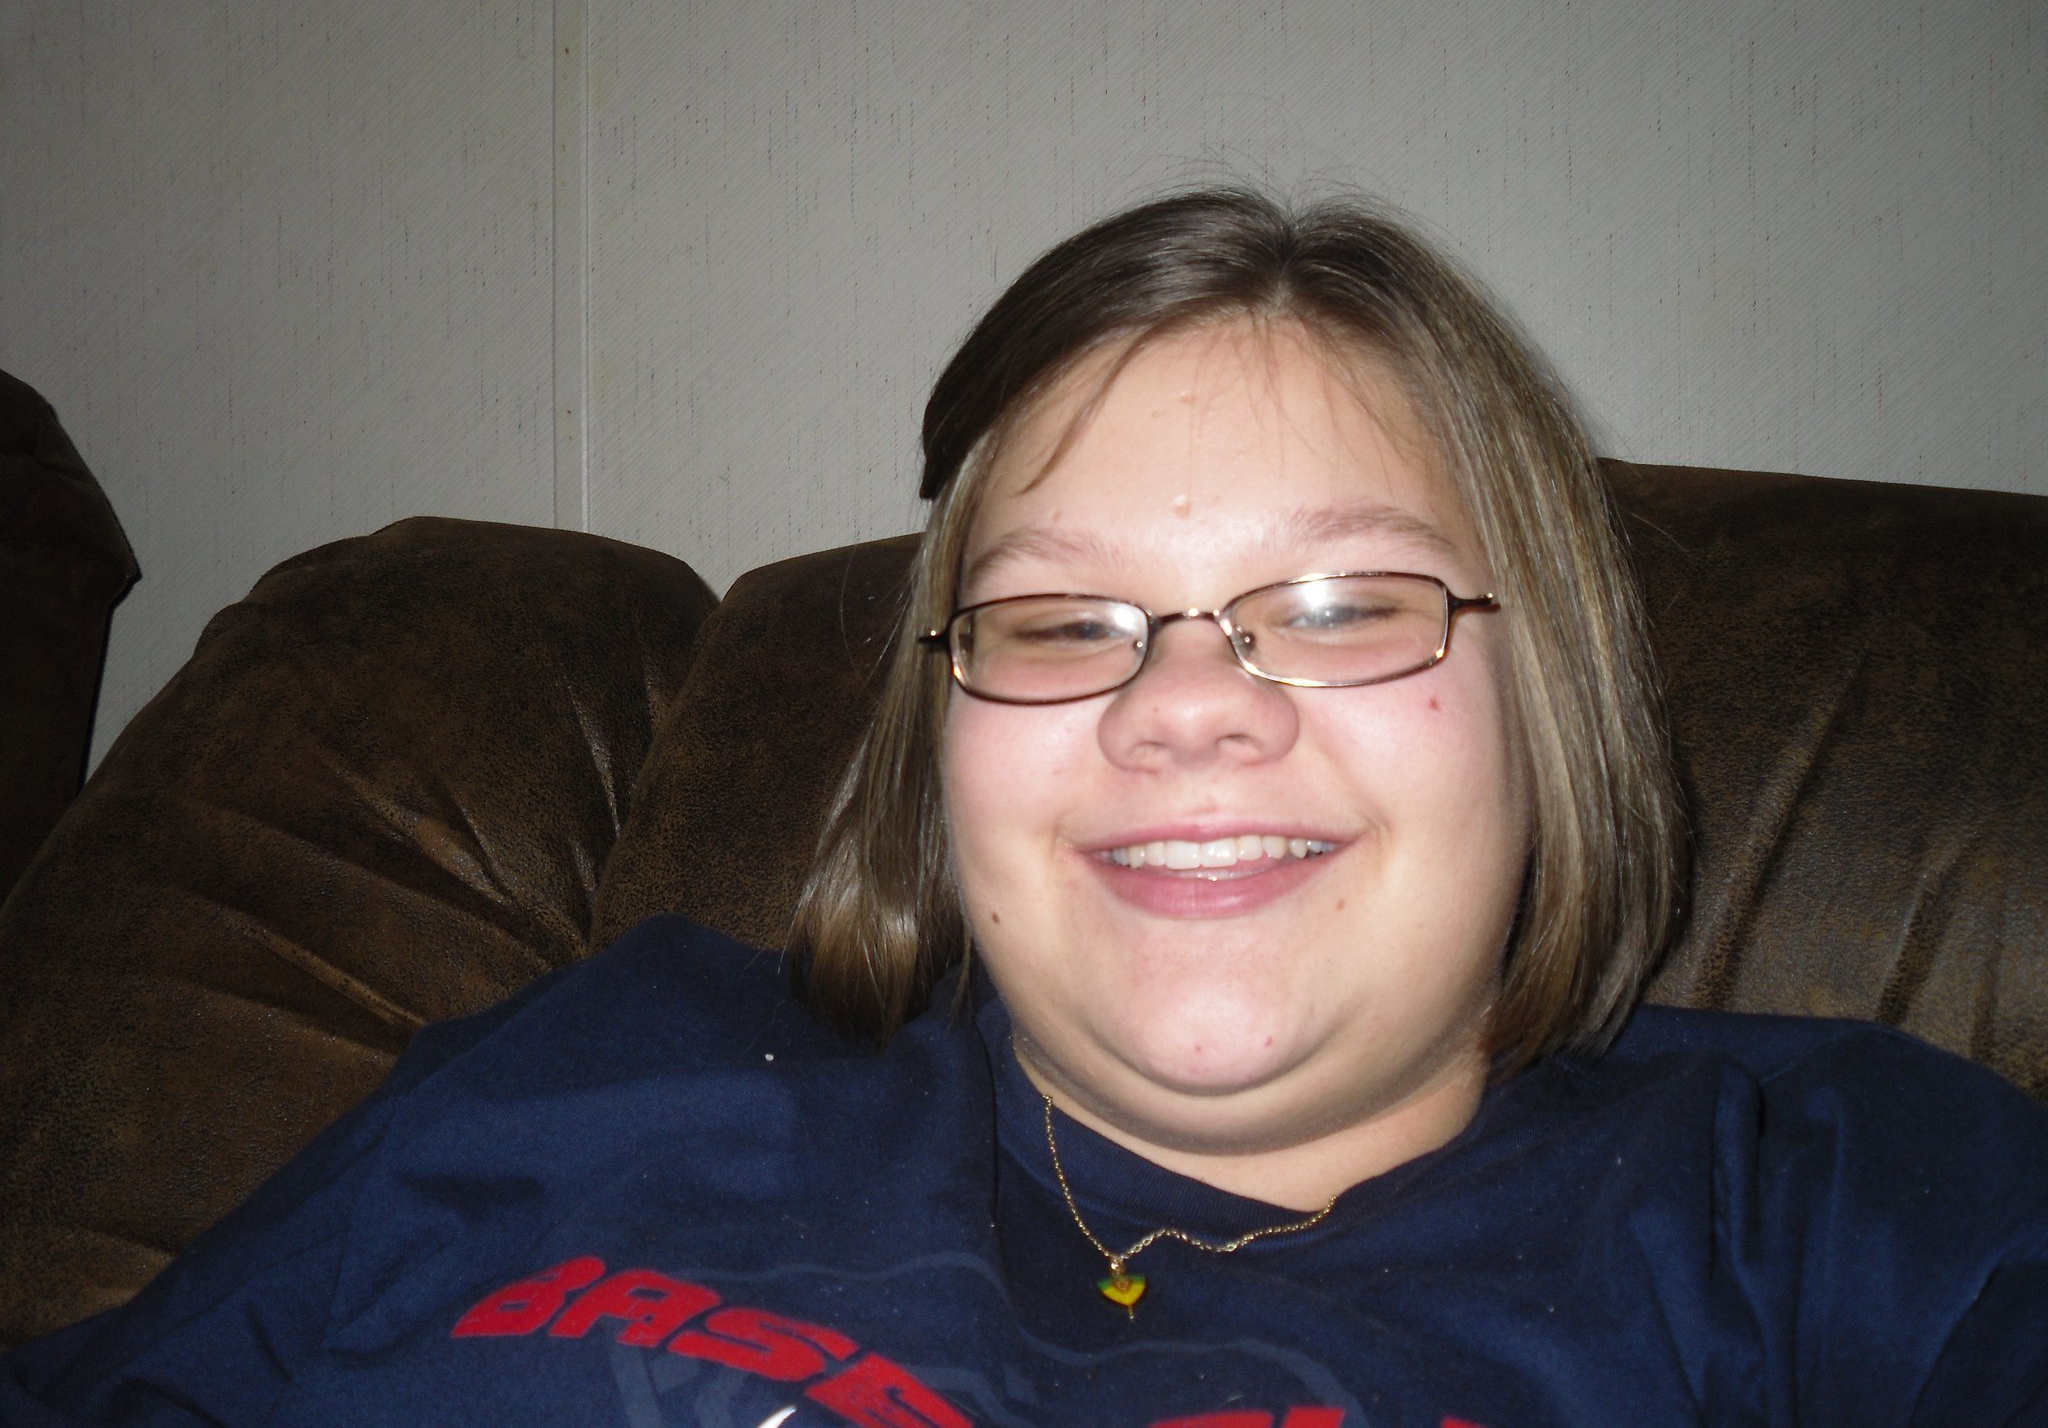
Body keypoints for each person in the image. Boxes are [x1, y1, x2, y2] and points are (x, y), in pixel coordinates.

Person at [5, 190, 2044, 1427]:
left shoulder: (1836, 1209)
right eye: (1062, 620)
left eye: (1340, 604)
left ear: (1554, 697)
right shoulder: (599, 1062)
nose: (1181, 705)